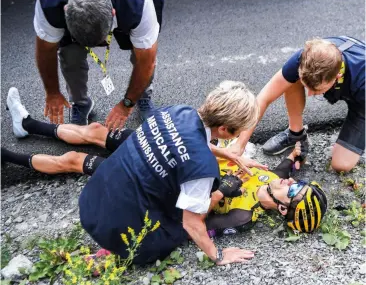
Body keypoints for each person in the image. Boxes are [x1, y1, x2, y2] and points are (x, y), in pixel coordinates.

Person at [4, 82, 266, 265]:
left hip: (92, 200)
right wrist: (218, 255)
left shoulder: (176, 111)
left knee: (84, 149)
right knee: (179, 230)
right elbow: (191, 223)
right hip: (115, 227)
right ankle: (112, 255)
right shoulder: (202, 169)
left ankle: (20, 136)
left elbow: (186, 140)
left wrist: (225, 153)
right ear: (225, 130)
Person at [220, 36, 365, 173]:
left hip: (362, 103)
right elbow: (262, 99)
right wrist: (240, 145)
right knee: (290, 80)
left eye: (317, 90)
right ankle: (296, 134)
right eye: (307, 86)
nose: (310, 94)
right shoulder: (305, 59)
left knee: (341, 165)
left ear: (337, 77)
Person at [34, 0, 164, 128]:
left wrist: (127, 104)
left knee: (142, 52)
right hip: (71, 17)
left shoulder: (138, 6)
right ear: (65, 9)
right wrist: (52, 92)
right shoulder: (49, 5)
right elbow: (45, 51)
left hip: (128, 9)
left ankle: (142, 96)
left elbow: (146, 62)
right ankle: (80, 103)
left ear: (113, 13)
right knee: (70, 54)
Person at [206, 142, 327, 236]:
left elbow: (192, 227)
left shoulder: (242, 216)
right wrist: (299, 152)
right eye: (300, 182)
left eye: (295, 188)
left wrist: (220, 192)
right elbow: (290, 160)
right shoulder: (277, 178)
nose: (291, 180)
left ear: (283, 208)